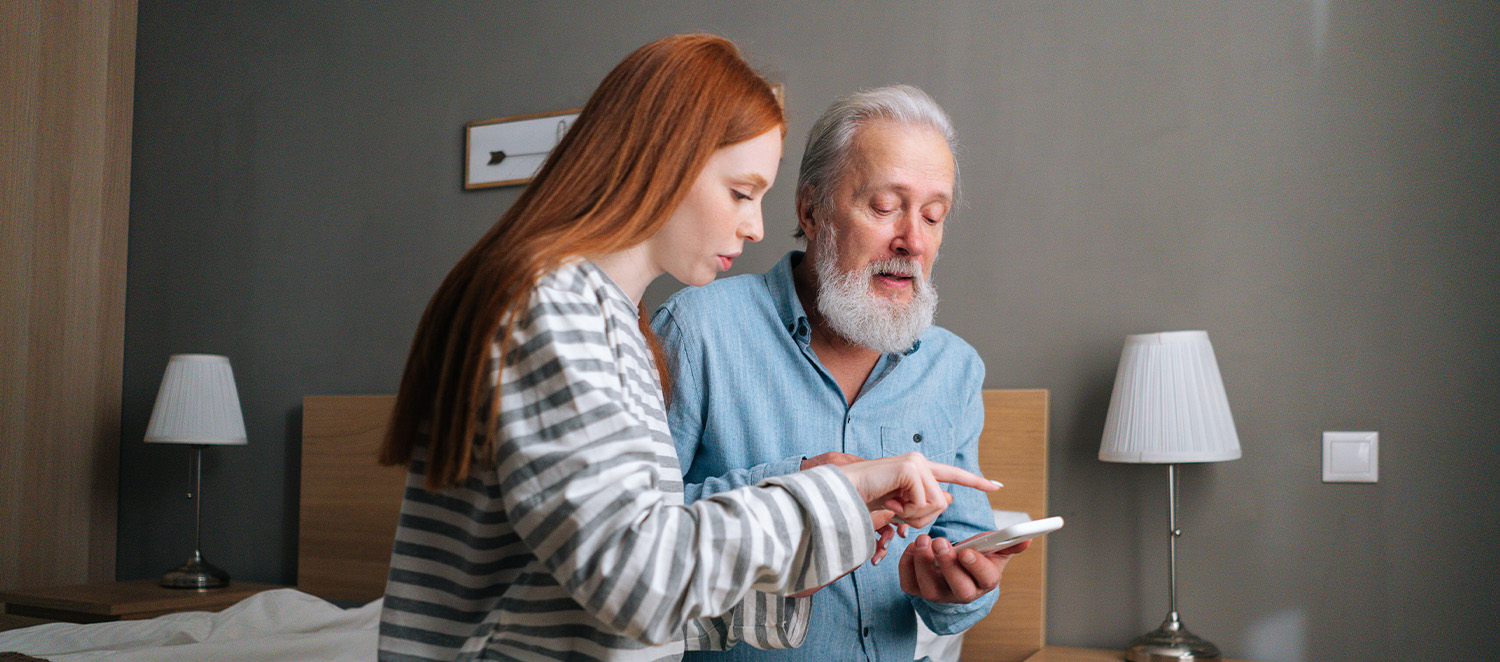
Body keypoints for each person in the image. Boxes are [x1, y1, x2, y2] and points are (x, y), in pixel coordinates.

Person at [375, 37, 997, 662]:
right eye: (741, 192)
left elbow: (634, 566)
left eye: (934, 216)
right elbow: (639, 578)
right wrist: (834, 499)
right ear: (664, 163)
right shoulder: (555, 308)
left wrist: (827, 520)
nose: (755, 226)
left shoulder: (610, 317)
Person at [652, 85, 1031, 662]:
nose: (913, 240)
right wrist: (809, 487)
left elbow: (959, 549)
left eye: (934, 215)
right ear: (811, 210)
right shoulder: (696, 328)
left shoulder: (953, 368)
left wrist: (960, 587)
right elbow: (636, 536)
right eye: (885, 207)